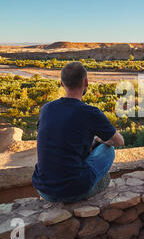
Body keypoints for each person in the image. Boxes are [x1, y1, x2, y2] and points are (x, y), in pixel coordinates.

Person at [32, 61, 124, 203]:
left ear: (62, 84)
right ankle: (94, 185)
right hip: (73, 191)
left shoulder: (46, 108)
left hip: (43, 190)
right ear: (86, 82)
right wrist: (99, 140)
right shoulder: (90, 112)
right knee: (108, 149)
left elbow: (54, 135)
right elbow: (119, 141)